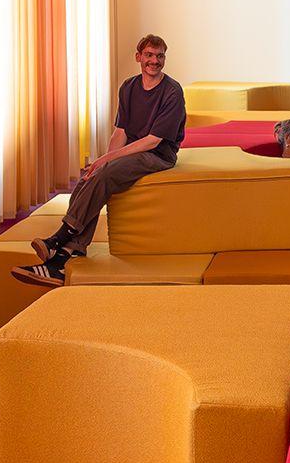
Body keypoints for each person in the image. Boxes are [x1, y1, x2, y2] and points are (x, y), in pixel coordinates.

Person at [12, 34, 186, 287]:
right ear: (139, 57)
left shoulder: (172, 91)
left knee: (106, 173)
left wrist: (108, 159)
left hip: (158, 155)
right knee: (90, 177)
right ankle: (66, 256)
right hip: (134, 151)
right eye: (149, 55)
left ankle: (60, 239)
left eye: (160, 56)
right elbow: (121, 132)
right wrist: (101, 162)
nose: (154, 61)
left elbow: (153, 141)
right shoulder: (128, 87)